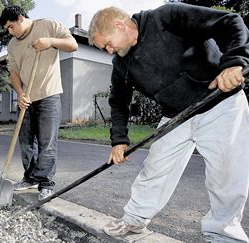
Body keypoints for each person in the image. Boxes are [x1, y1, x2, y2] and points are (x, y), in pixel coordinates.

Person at [88, 3, 249, 242]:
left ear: (119, 25)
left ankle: (224, 236)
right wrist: (119, 140)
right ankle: (134, 221)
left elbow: (230, 22)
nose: (109, 51)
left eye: (108, 44)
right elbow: (118, 101)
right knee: (154, 169)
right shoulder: (121, 64)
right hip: (175, 116)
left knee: (226, 175)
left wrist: (234, 62)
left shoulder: (166, 17)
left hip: (219, 103)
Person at [0, 5, 78, 200]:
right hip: (27, 98)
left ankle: (46, 183)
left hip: (49, 95)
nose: (10, 32)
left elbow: (73, 45)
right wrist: (20, 92)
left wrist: (50, 41)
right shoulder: (13, 45)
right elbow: (14, 71)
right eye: (7, 29)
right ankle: (31, 177)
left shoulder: (48, 25)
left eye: (10, 26)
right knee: (26, 142)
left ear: (19, 18)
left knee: (47, 143)